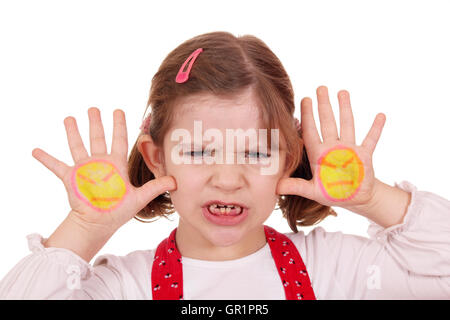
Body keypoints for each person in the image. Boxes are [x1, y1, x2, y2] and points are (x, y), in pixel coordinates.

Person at [0, 31, 449, 300]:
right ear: (158, 159)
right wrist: (86, 225)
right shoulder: (125, 286)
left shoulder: (334, 269)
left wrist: (370, 197)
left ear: (289, 160)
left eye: (256, 153)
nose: (229, 178)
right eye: (198, 152)